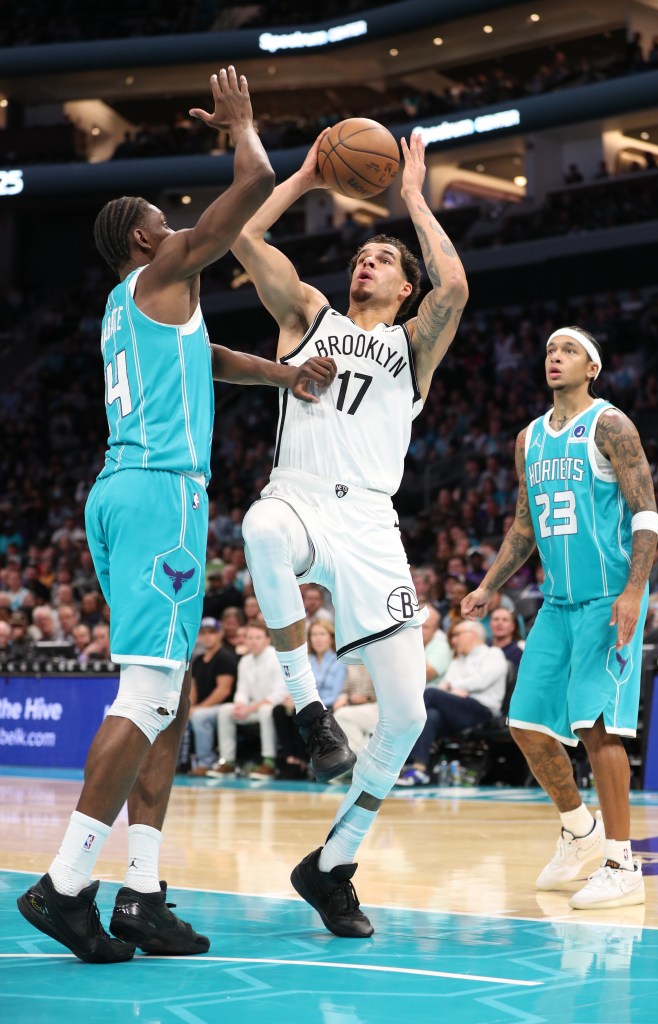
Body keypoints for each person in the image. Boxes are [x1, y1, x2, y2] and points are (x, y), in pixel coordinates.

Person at [17, 66, 336, 964]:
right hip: (160, 493)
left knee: (174, 690)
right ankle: (66, 884)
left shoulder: (144, 308)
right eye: (166, 220)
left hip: (132, 492)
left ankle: (143, 893)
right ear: (145, 237)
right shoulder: (161, 267)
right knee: (151, 691)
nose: (179, 225)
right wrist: (240, 126)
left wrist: (280, 373)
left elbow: (210, 356)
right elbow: (255, 185)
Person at [231, 127, 468, 936]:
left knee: (405, 716)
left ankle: (331, 866)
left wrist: (409, 199)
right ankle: (308, 712)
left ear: (404, 289)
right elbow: (243, 235)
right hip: (299, 496)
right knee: (260, 529)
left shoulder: (412, 347)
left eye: (384, 260)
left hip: (370, 521)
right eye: (361, 255)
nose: (365, 263)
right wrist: (301, 176)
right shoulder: (308, 314)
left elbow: (457, 287)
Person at [461, 326, 658, 910]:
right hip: (557, 602)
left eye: (568, 350)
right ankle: (580, 831)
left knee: (598, 729)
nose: (554, 357)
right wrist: (489, 586)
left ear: (591, 367)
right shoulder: (528, 439)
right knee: (525, 725)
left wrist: (634, 591)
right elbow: (524, 526)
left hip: (608, 597)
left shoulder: (611, 425)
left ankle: (623, 862)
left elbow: (646, 512)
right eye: (549, 350)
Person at [396, 620, 507, 786]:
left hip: (481, 710)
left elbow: (482, 680)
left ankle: (398, 751)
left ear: (473, 635)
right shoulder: (457, 660)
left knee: (430, 694)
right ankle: (419, 769)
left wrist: (456, 687)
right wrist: (454, 689)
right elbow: (444, 686)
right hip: (457, 710)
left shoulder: (493, 654)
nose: (453, 640)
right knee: (432, 716)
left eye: (457, 635)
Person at [211, 621, 287, 779]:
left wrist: (249, 709)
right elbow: (242, 691)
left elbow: (278, 694)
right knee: (225, 710)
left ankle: (269, 762)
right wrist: (240, 705)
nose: (253, 641)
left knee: (266, 711)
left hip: (275, 707)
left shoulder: (276, 657)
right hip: (253, 708)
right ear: (245, 640)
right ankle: (228, 762)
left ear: (267, 639)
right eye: (250, 637)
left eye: (258, 637)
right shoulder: (245, 661)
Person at [273, 619, 347, 777]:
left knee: (301, 712)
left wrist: (307, 701)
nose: (318, 639)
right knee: (278, 710)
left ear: (331, 637)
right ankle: (288, 756)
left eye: (322, 634)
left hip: (326, 705)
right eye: (314, 635)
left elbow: (335, 694)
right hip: (304, 702)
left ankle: (301, 760)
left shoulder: (338, 661)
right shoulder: (307, 661)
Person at [186, 617, 237, 776]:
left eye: (211, 633)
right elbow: (193, 690)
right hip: (204, 707)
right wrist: (190, 708)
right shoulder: (199, 660)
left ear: (220, 634)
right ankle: (181, 763)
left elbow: (224, 691)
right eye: (203, 633)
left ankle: (205, 762)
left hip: (225, 707)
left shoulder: (225, 657)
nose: (207, 636)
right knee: (181, 716)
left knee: (200, 716)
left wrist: (197, 709)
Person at [422, 602, 452, 686]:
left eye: (425, 627)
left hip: (428, 696)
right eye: (418, 626)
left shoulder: (442, 648)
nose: (420, 630)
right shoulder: (408, 643)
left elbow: (424, 675)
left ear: (435, 630)